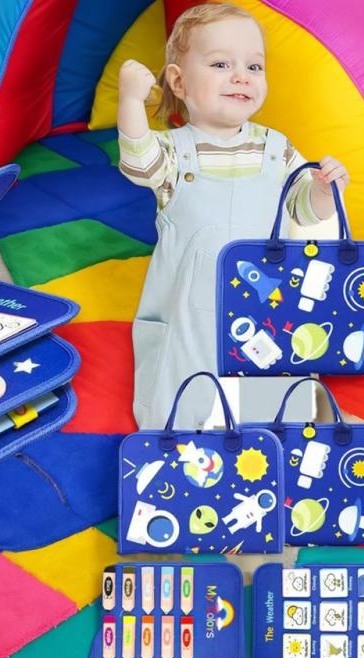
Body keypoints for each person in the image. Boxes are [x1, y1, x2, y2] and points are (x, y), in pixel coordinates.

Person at [118, 3, 349, 429]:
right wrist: (130, 100)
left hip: (264, 299)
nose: (241, 76)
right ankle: (186, 431)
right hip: (190, 308)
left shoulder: (277, 148)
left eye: (254, 66)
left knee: (273, 392)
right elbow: (138, 164)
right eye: (221, 64)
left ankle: (267, 424)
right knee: (178, 403)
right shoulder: (173, 150)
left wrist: (322, 190)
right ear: (179, 82)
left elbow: (303, 209)